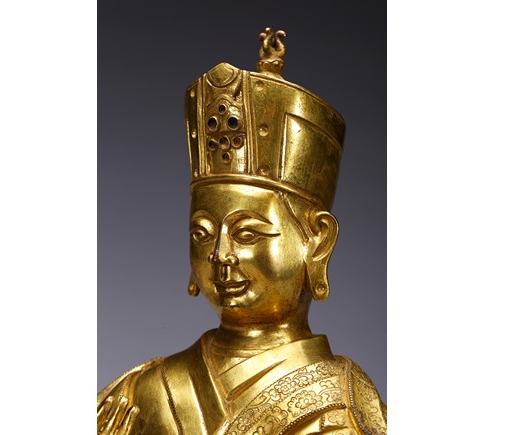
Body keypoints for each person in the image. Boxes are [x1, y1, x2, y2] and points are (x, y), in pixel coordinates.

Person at [98, 28, 386, 435]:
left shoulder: (346, 410)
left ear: (317, 241)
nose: (220, 254)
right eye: (202, 234)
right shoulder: (140, 393)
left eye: (247, 234)